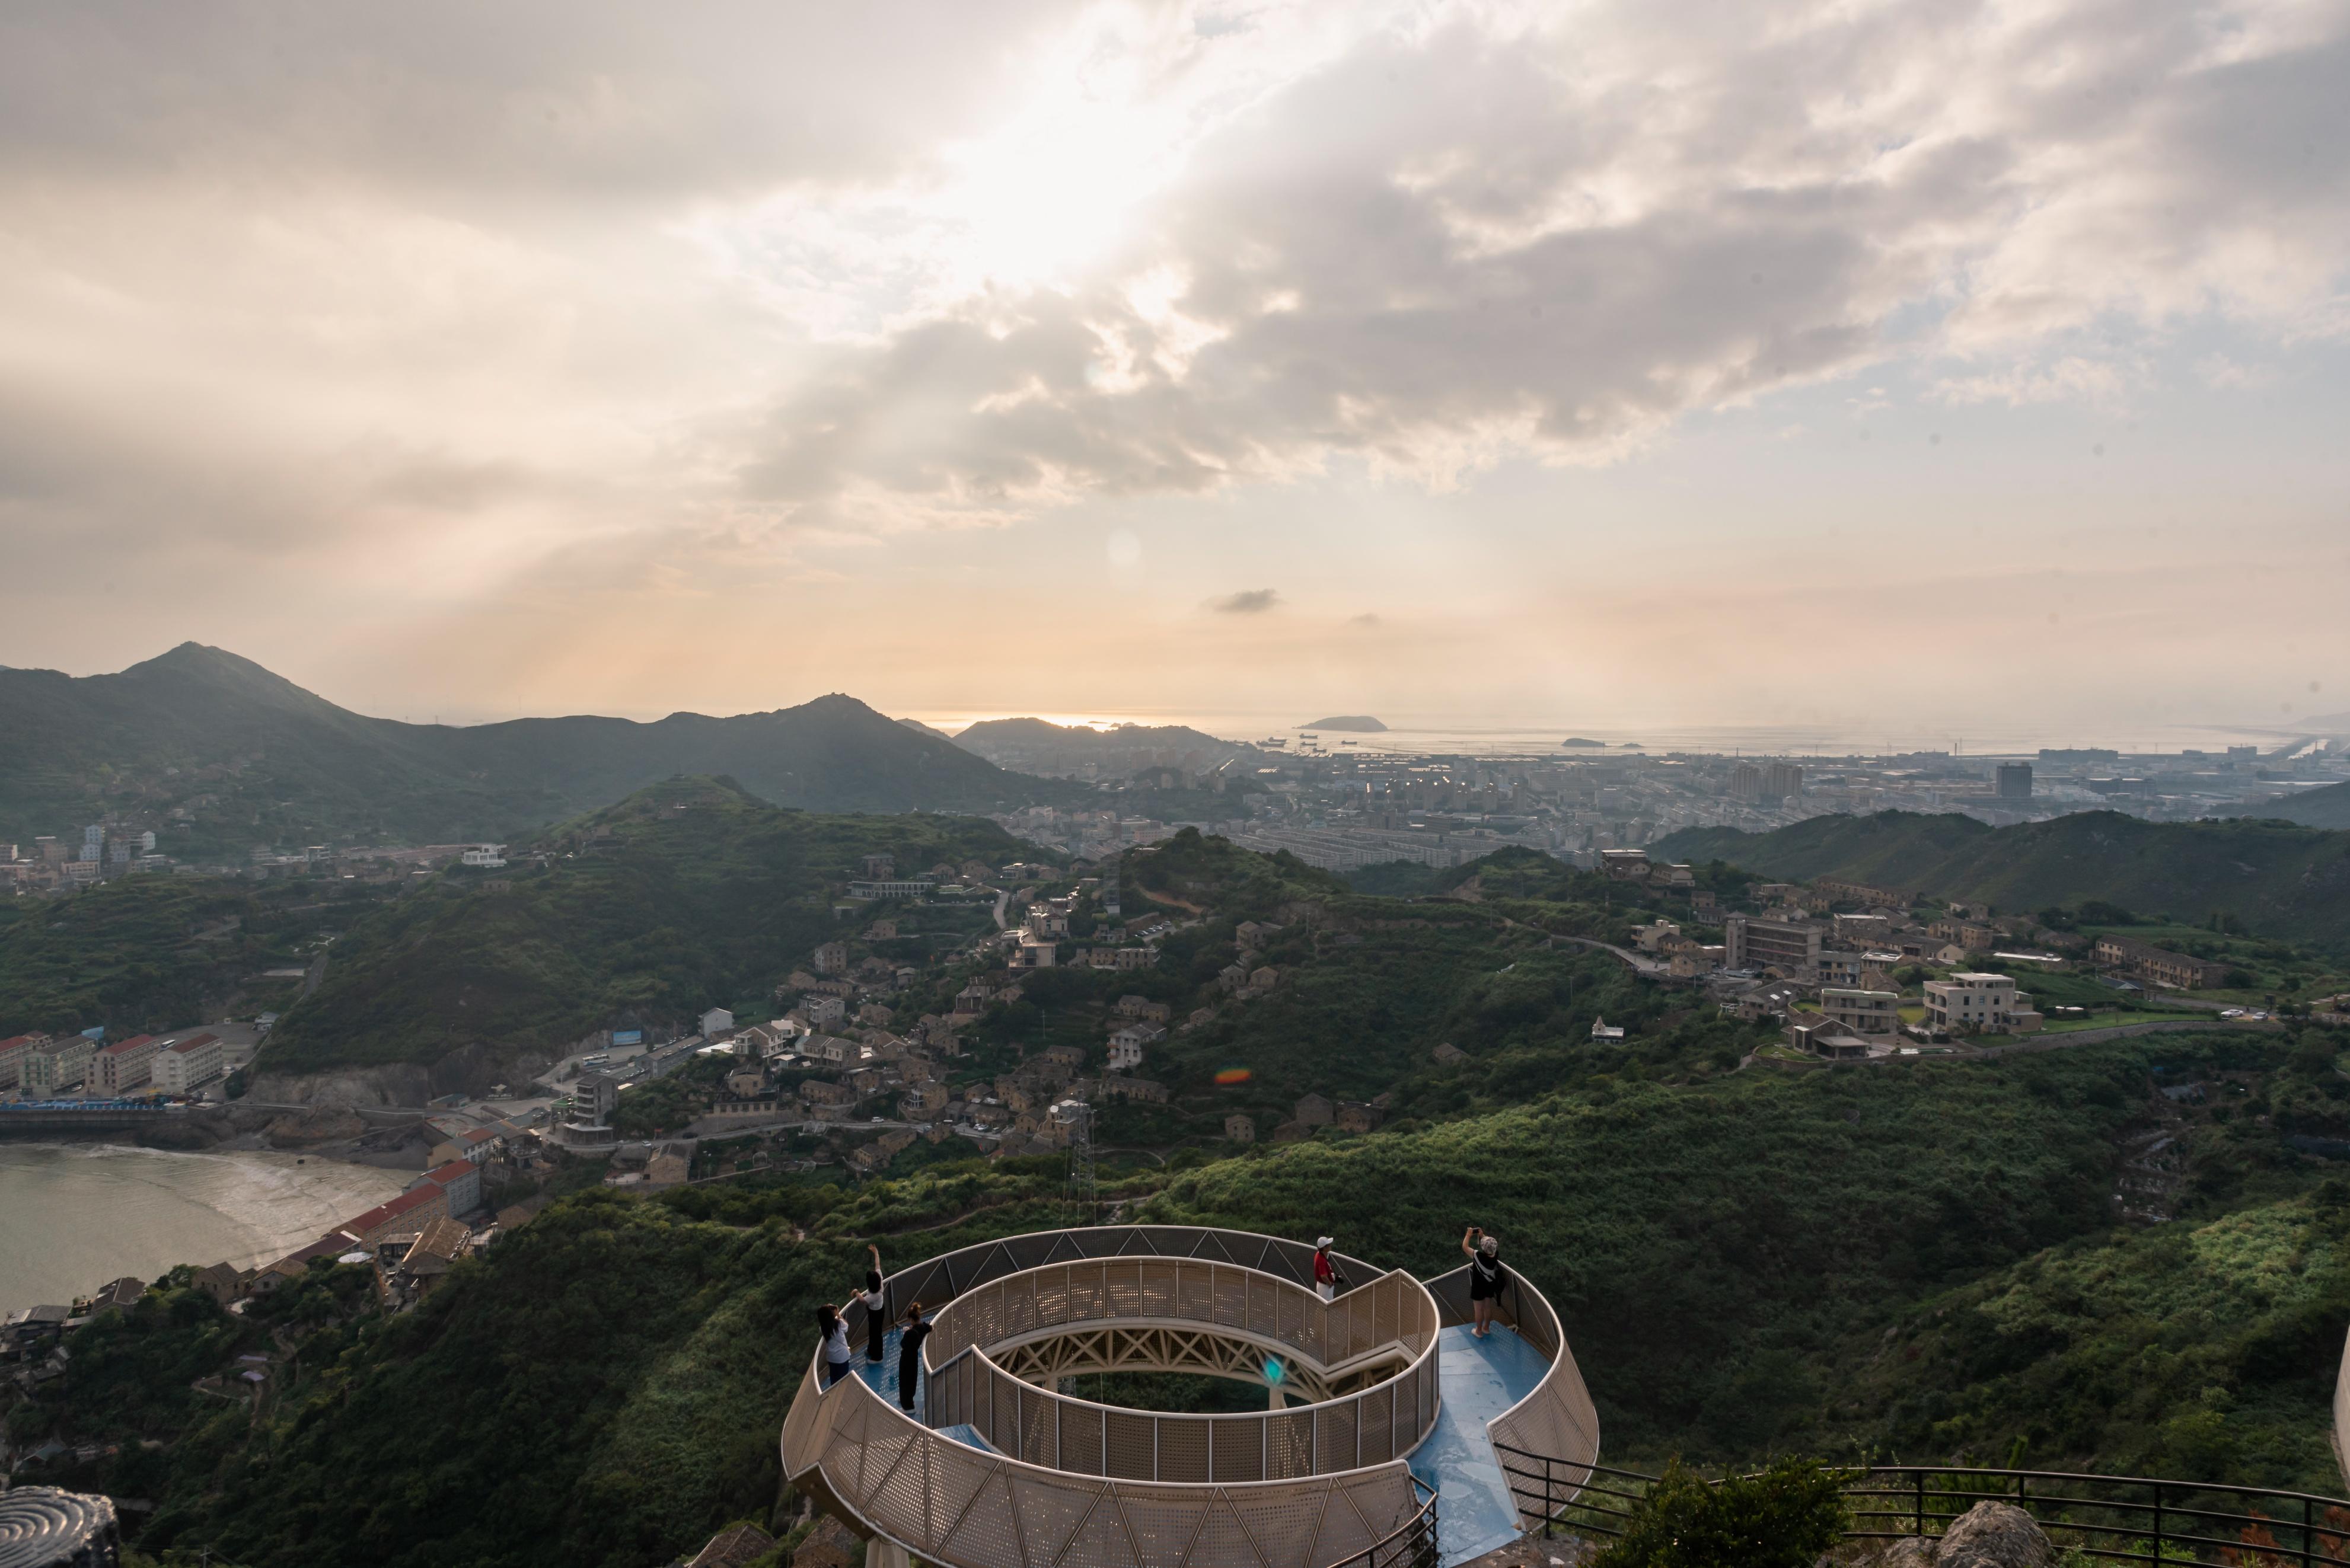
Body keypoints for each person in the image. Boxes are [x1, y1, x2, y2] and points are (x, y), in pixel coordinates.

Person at [1462, 1227, 1509, 1338]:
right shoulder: (1495, 1254)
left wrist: (1469, 1234)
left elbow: (1465, 1247)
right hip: (1490, 1284)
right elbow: (1489, 1245)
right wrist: (1482, 1235)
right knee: (1487, 1307)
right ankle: (1486, 1328)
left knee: (1479, 1309)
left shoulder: (1478, 1255)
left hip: (1478, 1287)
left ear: (1483, 1248)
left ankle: (1479, 1331)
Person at [897, 1302, 934, 1415]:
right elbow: (931, 1328)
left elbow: (903, 1344)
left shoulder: (910, 1334)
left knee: (904, 1381)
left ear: (911, 1320)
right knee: (912, 1380)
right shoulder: (923, 1327)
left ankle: (908, 1407)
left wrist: (906, 1332)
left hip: (906, 1359)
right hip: (914, 1360)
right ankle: (909, 1400)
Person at [816, 1302, 854, 1387]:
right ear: (830, 1314)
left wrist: (828, 1311)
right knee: (843, 1379)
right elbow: (846, 1327)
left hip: (832, 1357)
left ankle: (833, 1393)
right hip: (842, 1357)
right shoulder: (839, 1324)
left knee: (834, 1379)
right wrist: (837, 1314)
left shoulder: (822, 1328)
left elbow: (825, 1321)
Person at [861, 1243, 888, 1362]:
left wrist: (857, 1293)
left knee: (876, 1334)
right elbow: (878, 1264)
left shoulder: (872, 1296)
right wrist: (876, 1252)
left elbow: (862, 1300)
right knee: (874, 1333)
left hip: (875, 1314)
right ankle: (872, 1349)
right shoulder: (880, 1279)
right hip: (880, 1310)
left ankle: (878, 1357)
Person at [1312, 1236, 1350, 1302]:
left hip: (1323, 1286)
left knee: (1324, 1306)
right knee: (1326, 1306)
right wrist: (1330, 1284)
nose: (1330, 1245)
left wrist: (1334, 1278)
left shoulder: (1319, 1254)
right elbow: (1323, 1276)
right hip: (1325, 1288)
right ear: (1324, 1248)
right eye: (1329, 1245)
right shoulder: (1321, 1260)